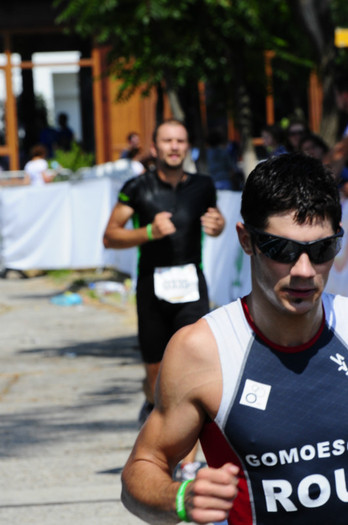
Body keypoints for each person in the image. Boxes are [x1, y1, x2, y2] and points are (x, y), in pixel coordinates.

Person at [121, 152, 348, 525]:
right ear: (247, 240)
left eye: (321, 250)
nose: (304, 271)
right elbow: (143, 468)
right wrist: (177, 497)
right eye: (282, 250)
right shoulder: (202, 350)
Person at [103, 118, 225, 474]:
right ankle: (150, 402)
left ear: (187, 147)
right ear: (154, 148)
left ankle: (187, 462)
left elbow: (213, 225)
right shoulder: (137, 187)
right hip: (151, 287)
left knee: (193, 372)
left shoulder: (203, 185)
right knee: (157, 377)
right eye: (167, 141)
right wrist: (147, 231)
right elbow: (110, 236)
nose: (174, 147)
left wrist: (215, 228)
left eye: (180, 141)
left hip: (191, 283)